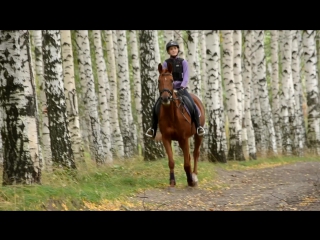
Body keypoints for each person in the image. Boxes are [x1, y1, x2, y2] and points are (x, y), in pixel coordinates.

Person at [145, 40, 205, 139]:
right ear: (168, 51)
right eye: (171, 49)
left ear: (178, 50)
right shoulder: (165, 63)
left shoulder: (183, 62)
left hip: (181, 88)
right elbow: (163, 76)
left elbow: (186, 76)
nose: (173, 50)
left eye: (175, 48)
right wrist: (166, 88)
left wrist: (182, 85)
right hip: (168, 90)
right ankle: (153, 129)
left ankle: (198, 126)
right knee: (156, 106)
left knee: (192, 104)